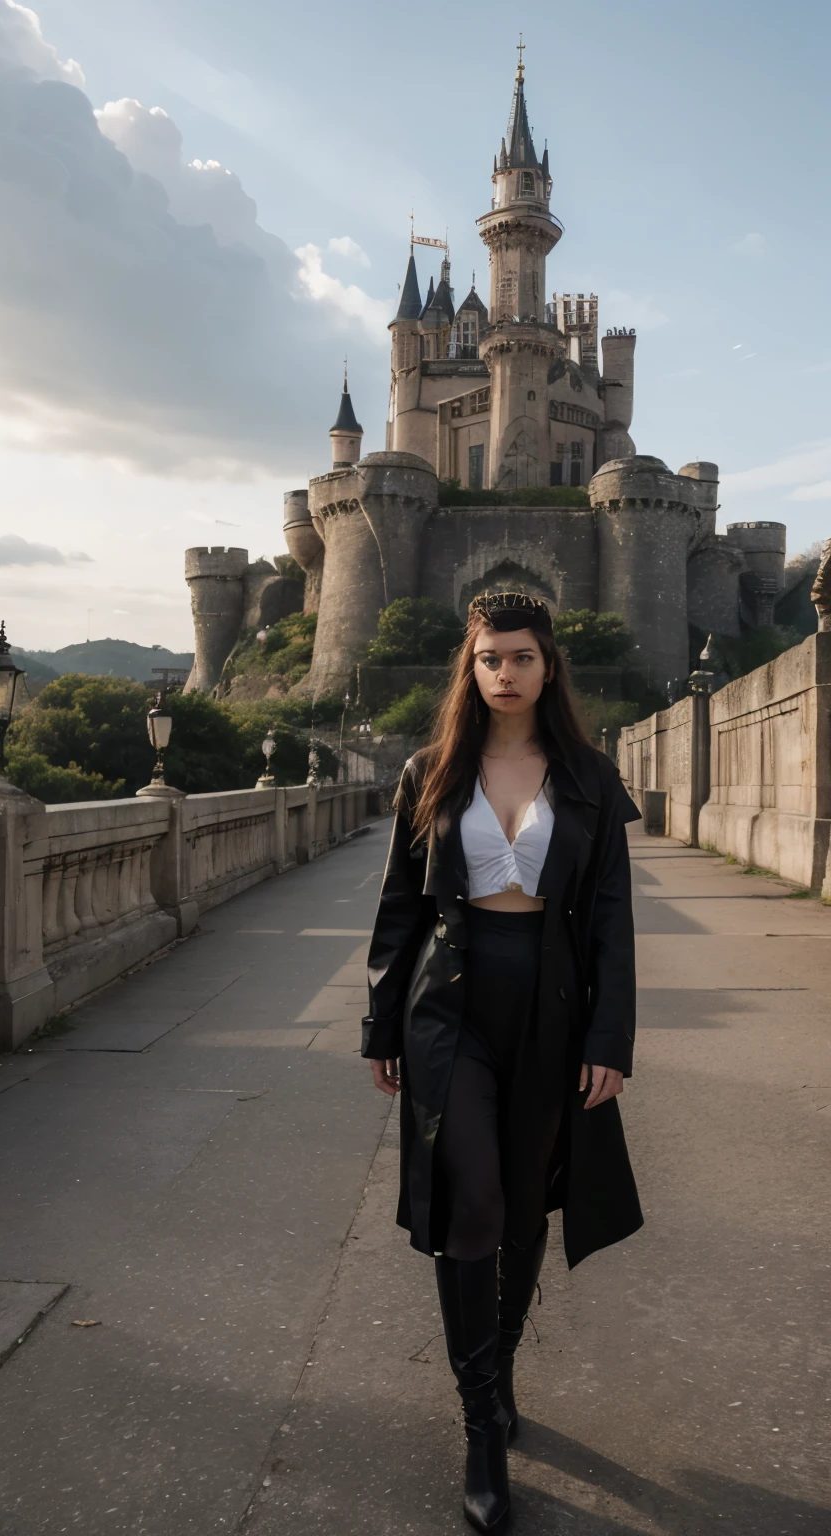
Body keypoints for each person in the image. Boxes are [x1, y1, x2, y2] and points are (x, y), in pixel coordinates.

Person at [361, 591, 643, 1532]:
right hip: (450, 998)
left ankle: (501, 1359)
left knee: (526, 1203)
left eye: (522, 656)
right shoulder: (430, 772)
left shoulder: (590, 779)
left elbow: (608, 918)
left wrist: (610, 1040)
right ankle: (482, 1420)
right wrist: (380, 1023)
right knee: (472, 1195)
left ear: (547, 666)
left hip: (553, 1000)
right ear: (470, 669)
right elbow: (402, 904)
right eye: (490, 659)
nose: (506, 672)